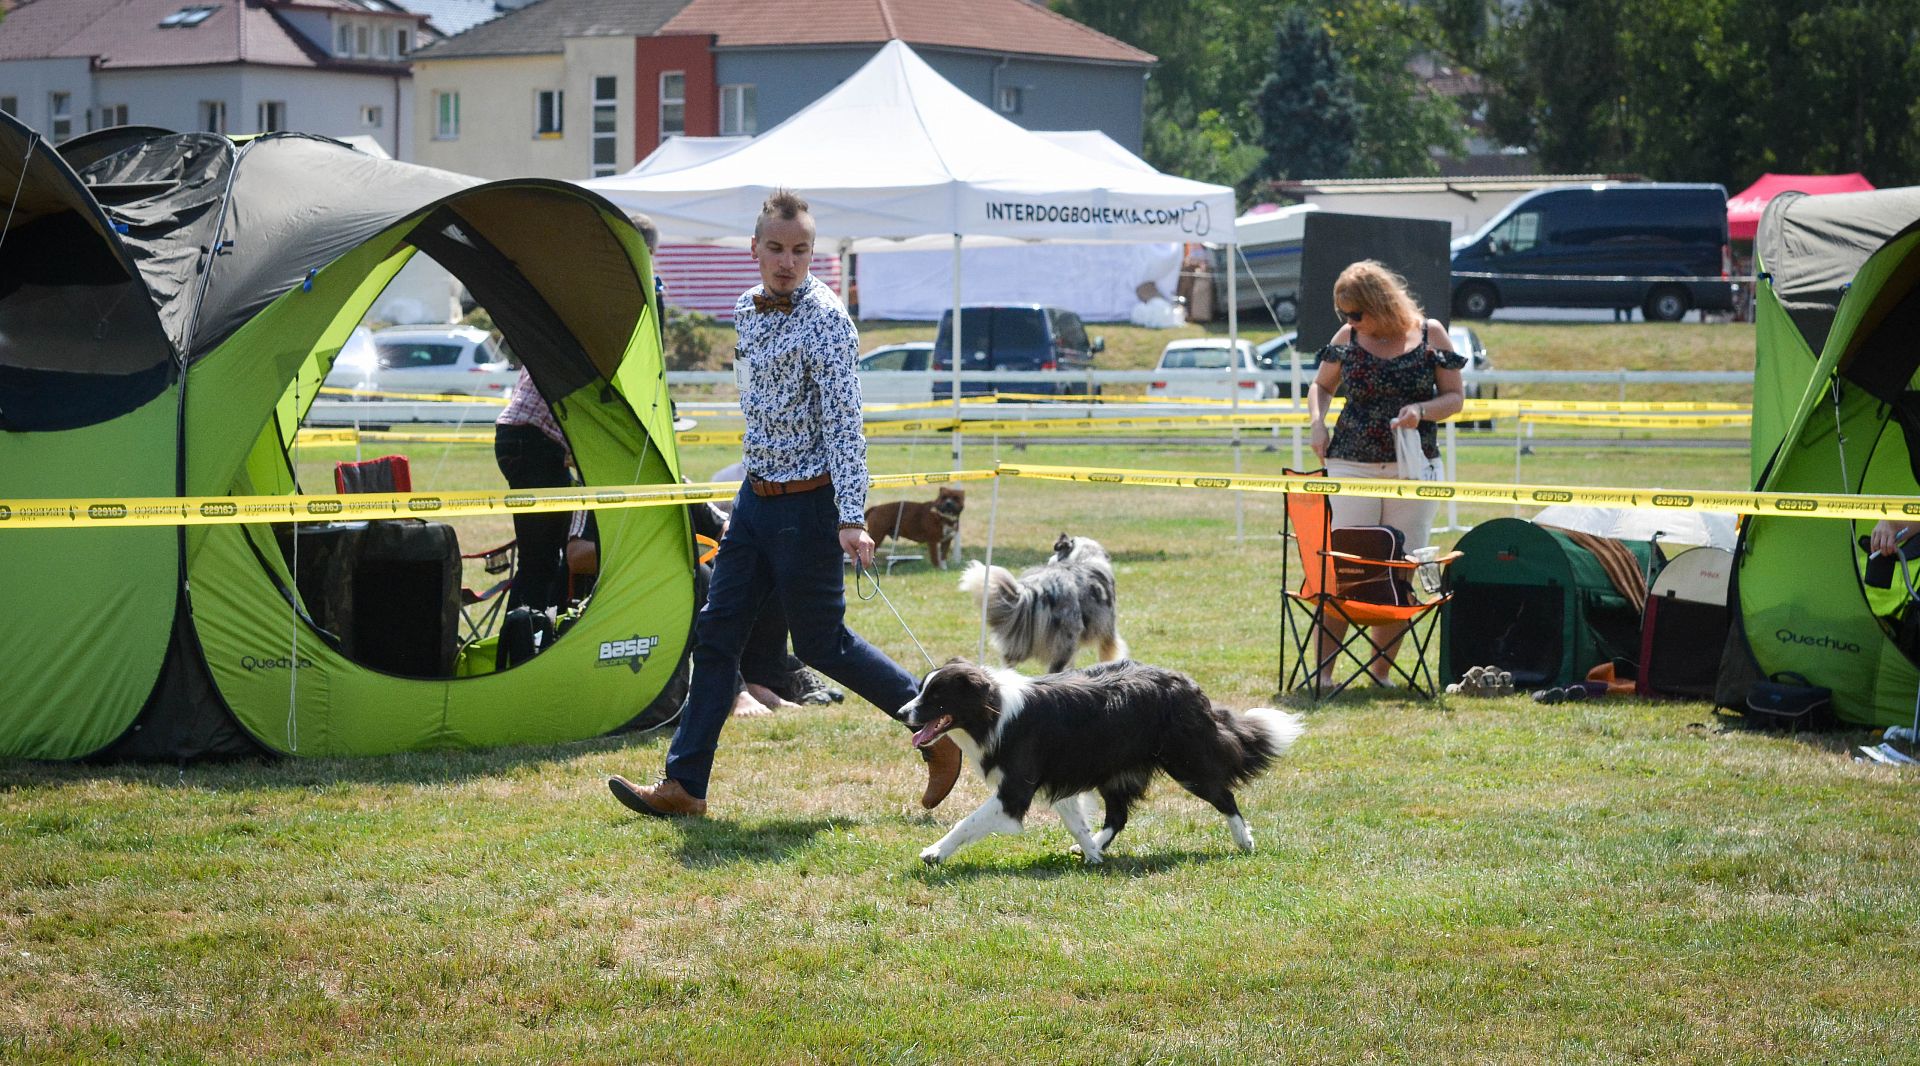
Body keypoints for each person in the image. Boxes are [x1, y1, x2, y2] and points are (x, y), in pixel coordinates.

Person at [609, 189, 961, 818]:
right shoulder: (746, 310)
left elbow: (845, 425)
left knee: (822, 645)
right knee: (716, 636)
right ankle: (684, 786)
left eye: (800, 250)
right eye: (775, 247)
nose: (787, 261)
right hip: (754, 501)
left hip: (810, 506)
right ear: (754, 249)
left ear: (812, 254)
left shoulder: (829, 322)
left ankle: (938, 731)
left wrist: (851, 517)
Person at [1306, 259, 1465, 688]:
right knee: (1348, 567)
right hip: (1350, 462)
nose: (1350, 321)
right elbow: (1321, 386)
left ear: (1381, 302)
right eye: (1345, 314)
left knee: (1402, 568)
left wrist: (1420, 411)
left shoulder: (1431, 335)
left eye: (1356, 312)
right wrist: (1317, 422)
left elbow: (1454, 398)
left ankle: (1380, 672)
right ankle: (1323, 675)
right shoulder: (1347, 338)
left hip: (1413, 466)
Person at [494, 366, 572, 614]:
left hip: (519, 437)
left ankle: (528, 633)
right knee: (540, 563)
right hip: (535, 441)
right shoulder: (585, 343)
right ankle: (525, 641)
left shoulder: (561, 333)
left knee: (541, 560)